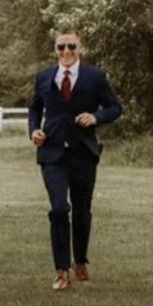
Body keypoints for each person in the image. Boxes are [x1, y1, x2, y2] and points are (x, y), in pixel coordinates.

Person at [28, 29, 122, 290]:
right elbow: (35, 108)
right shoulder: (45, 76)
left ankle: (80, 259)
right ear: (55, 50)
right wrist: (33, 130)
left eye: (71, 46)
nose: (66, 52)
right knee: (59, 209)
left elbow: (115, 108)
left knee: (82, 211)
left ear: (80, 48)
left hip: (83, 153)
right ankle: (61, 270)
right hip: (52, 153)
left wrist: (96, 117)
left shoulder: (95, 76)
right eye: (61, 47)